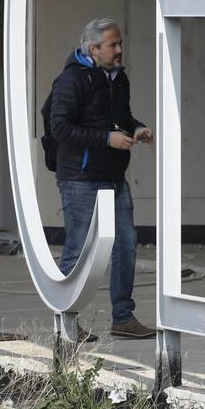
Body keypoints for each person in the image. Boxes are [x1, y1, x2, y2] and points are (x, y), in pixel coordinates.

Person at [48, 18, 154, 341]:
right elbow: (60, 128)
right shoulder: (70, 80)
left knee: (126, 245)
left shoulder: (119, 79)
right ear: (93, 49)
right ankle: (67, 322)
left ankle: (122, 317)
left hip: (114, 177)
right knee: (78, 250)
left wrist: (136, 128)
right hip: (81, 178)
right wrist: (107, 139)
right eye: (113, 45)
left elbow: (121, 117)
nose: (120, 49)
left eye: (120, 43)